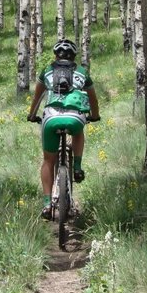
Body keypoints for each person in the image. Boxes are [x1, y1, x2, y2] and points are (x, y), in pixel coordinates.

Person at [27, 39, 100, 220]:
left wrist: (31, 115)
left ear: (55, 55)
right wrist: (95, 115)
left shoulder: (47, 72)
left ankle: (46, 204)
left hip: (51, 117)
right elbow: (93, 99)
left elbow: (37, 97)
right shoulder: (82, 72)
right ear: (74, 57)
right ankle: (77, 166)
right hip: (74, 117)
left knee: (48, 161)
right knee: (78, 130)